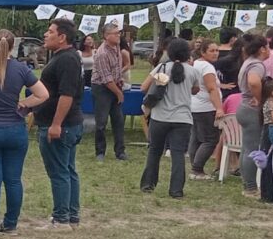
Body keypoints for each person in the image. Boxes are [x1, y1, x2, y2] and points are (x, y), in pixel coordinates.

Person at [0, 30, 49, 239]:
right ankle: (11, 224)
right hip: (14, 128)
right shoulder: (21, 69)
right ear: (13, 46)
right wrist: (24, 103)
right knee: (13, 179)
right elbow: (43, 94)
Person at [33, 18, 84, 230]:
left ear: (62, 37)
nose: (46, 34)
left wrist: (56, 124)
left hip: (62, 125)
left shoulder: (66, 60)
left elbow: (66, 95)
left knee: (59, 172)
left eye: (50, 31)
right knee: (68, 169)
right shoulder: (65, 57)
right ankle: (71, 214)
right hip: (67, 123)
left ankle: (61, 218)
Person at [139, 39, 199, 198]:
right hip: (183, 118)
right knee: (178, 154)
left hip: (160, 117)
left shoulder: (162, 67)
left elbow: (144, 87)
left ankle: (148, 184)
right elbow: (195, 90)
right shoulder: (192, 71)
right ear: (188, 53)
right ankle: (176, 190)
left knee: (154, 151)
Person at [236, 34, 270, 198]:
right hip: (251, 108)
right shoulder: (257, 65)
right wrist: (260, 99)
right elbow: (254, 82)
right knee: (252, 148)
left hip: (242, 107)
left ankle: (247, 184)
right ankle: (250, 187)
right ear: (262, 49)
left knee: (246, 148)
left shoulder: (247, 62)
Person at [189, 43, 225, 180]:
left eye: (217, 50)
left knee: (197, 138)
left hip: (195, 106)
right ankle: (197, 169)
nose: (216, 53)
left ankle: (195, 166)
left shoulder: (196, 64)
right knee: (210, 139)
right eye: (212, 51)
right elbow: (211, 88)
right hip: (206, 107)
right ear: (203, 52)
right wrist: (219, 108)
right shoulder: (207, 67)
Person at [92, 23, 127, 161]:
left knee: (118, 120)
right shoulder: (102, 53)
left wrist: (119, 80)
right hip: (101, 88)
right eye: (115, 33)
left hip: (115, 84)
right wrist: (118, 93)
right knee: (101, 122)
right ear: (106, 36)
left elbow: (116, 69)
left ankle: (120, 151)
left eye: (119, 33)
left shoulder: (117, 47)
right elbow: (106, 78)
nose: (118, 35)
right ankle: (100, 151)